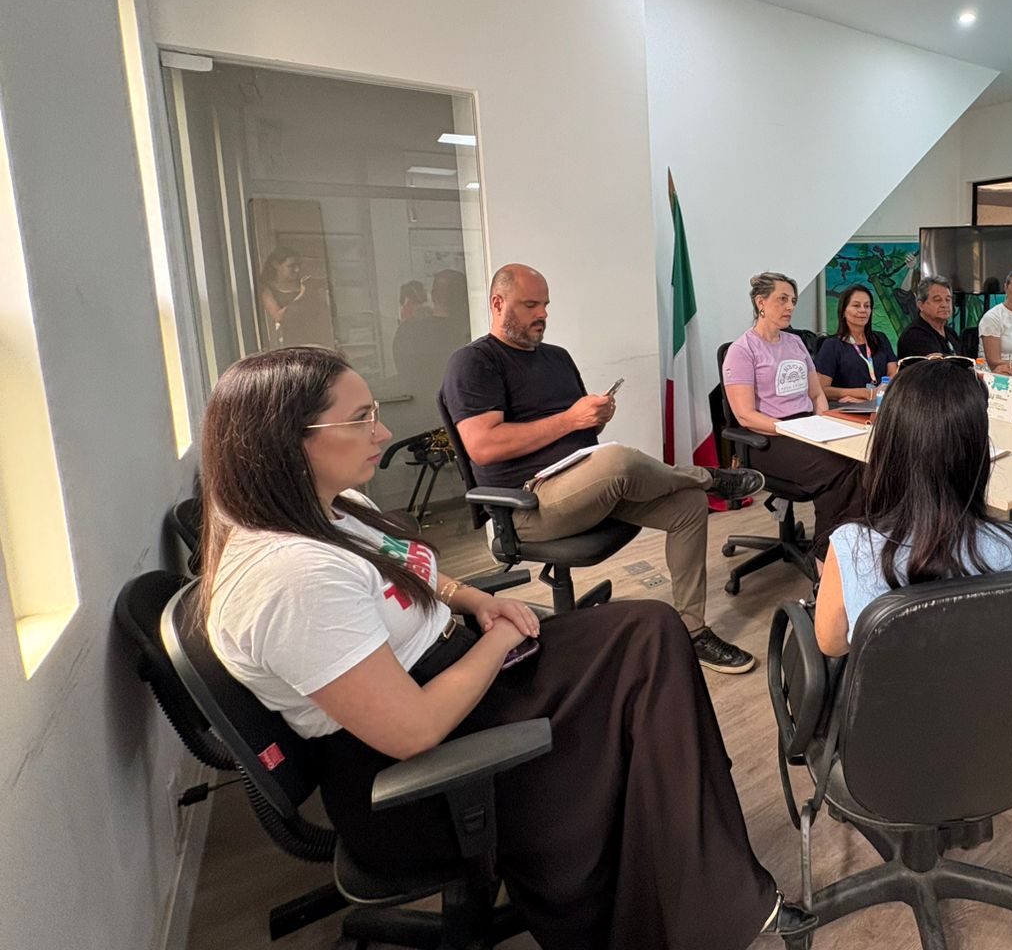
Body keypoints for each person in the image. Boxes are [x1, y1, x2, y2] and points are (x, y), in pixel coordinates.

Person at [199, 347, 813, 949]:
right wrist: (496, 641)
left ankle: (688, 861)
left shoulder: (335, 508)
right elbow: (413, 731)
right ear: (287, 441)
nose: (381, 432)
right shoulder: (292, 578)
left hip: (456, 667)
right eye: (360, 419)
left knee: (652, 630)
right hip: (419, 775)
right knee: (648, 693)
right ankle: (699, 905)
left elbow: (407, 570)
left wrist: (472, 599)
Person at [442, 265, 762, 674]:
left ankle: (693, 631)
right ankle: (710, 477)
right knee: (619, 461)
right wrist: (570, 420)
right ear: (498, 303)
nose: (542, 314)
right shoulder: (473, 362)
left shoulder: (557, 358)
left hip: (582, 486)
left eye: (545, 305)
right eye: (530, 305)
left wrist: (596, 419)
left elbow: (578, 431)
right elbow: (483, 447)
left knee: (688, 505)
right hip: (526, 505)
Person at [813, 356, 1012, 655]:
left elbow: (831, 645)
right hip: (984, 683)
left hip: (888, 685)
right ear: (979, 454)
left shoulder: (851, 547)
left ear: (886, 450)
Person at [722, 272, 867, 555]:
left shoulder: (795, 343)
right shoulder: (742, 350)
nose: (790, 306)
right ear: (761, 302)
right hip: (768, 438)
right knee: (837, 471)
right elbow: (745, 415)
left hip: (807, 427)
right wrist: (789, 429)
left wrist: (826, 423)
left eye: (793, 301)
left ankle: (852, 549)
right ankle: (826, 557)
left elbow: (817, 395)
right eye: (782, 299)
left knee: (860, 461)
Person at [813, 284, 898, 403]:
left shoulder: (880, 339)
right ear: (843, 311)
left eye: (867, 306)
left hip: (881, 404)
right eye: (856, 305)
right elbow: (822, 389)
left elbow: (893, 374)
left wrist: (877, 394)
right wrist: (864, 394)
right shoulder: (832, 345)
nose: (863, 310)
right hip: (847, 407)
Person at [257, 245, 337, 349]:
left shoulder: (306, 283)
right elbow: (278, 317)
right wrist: (301, 294)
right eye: (291, 266)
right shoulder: (267, 289)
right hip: (292, 343)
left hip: (318, 339)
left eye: (299, 265)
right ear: (276, 265)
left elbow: (326, 311)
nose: (297, 269)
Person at [895, 274, 962, 358]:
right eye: (937, 300)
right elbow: (939, 364)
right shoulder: (914, 335)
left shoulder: (951, 333)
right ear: (921, 305)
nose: (944, 305)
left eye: (948, 300)